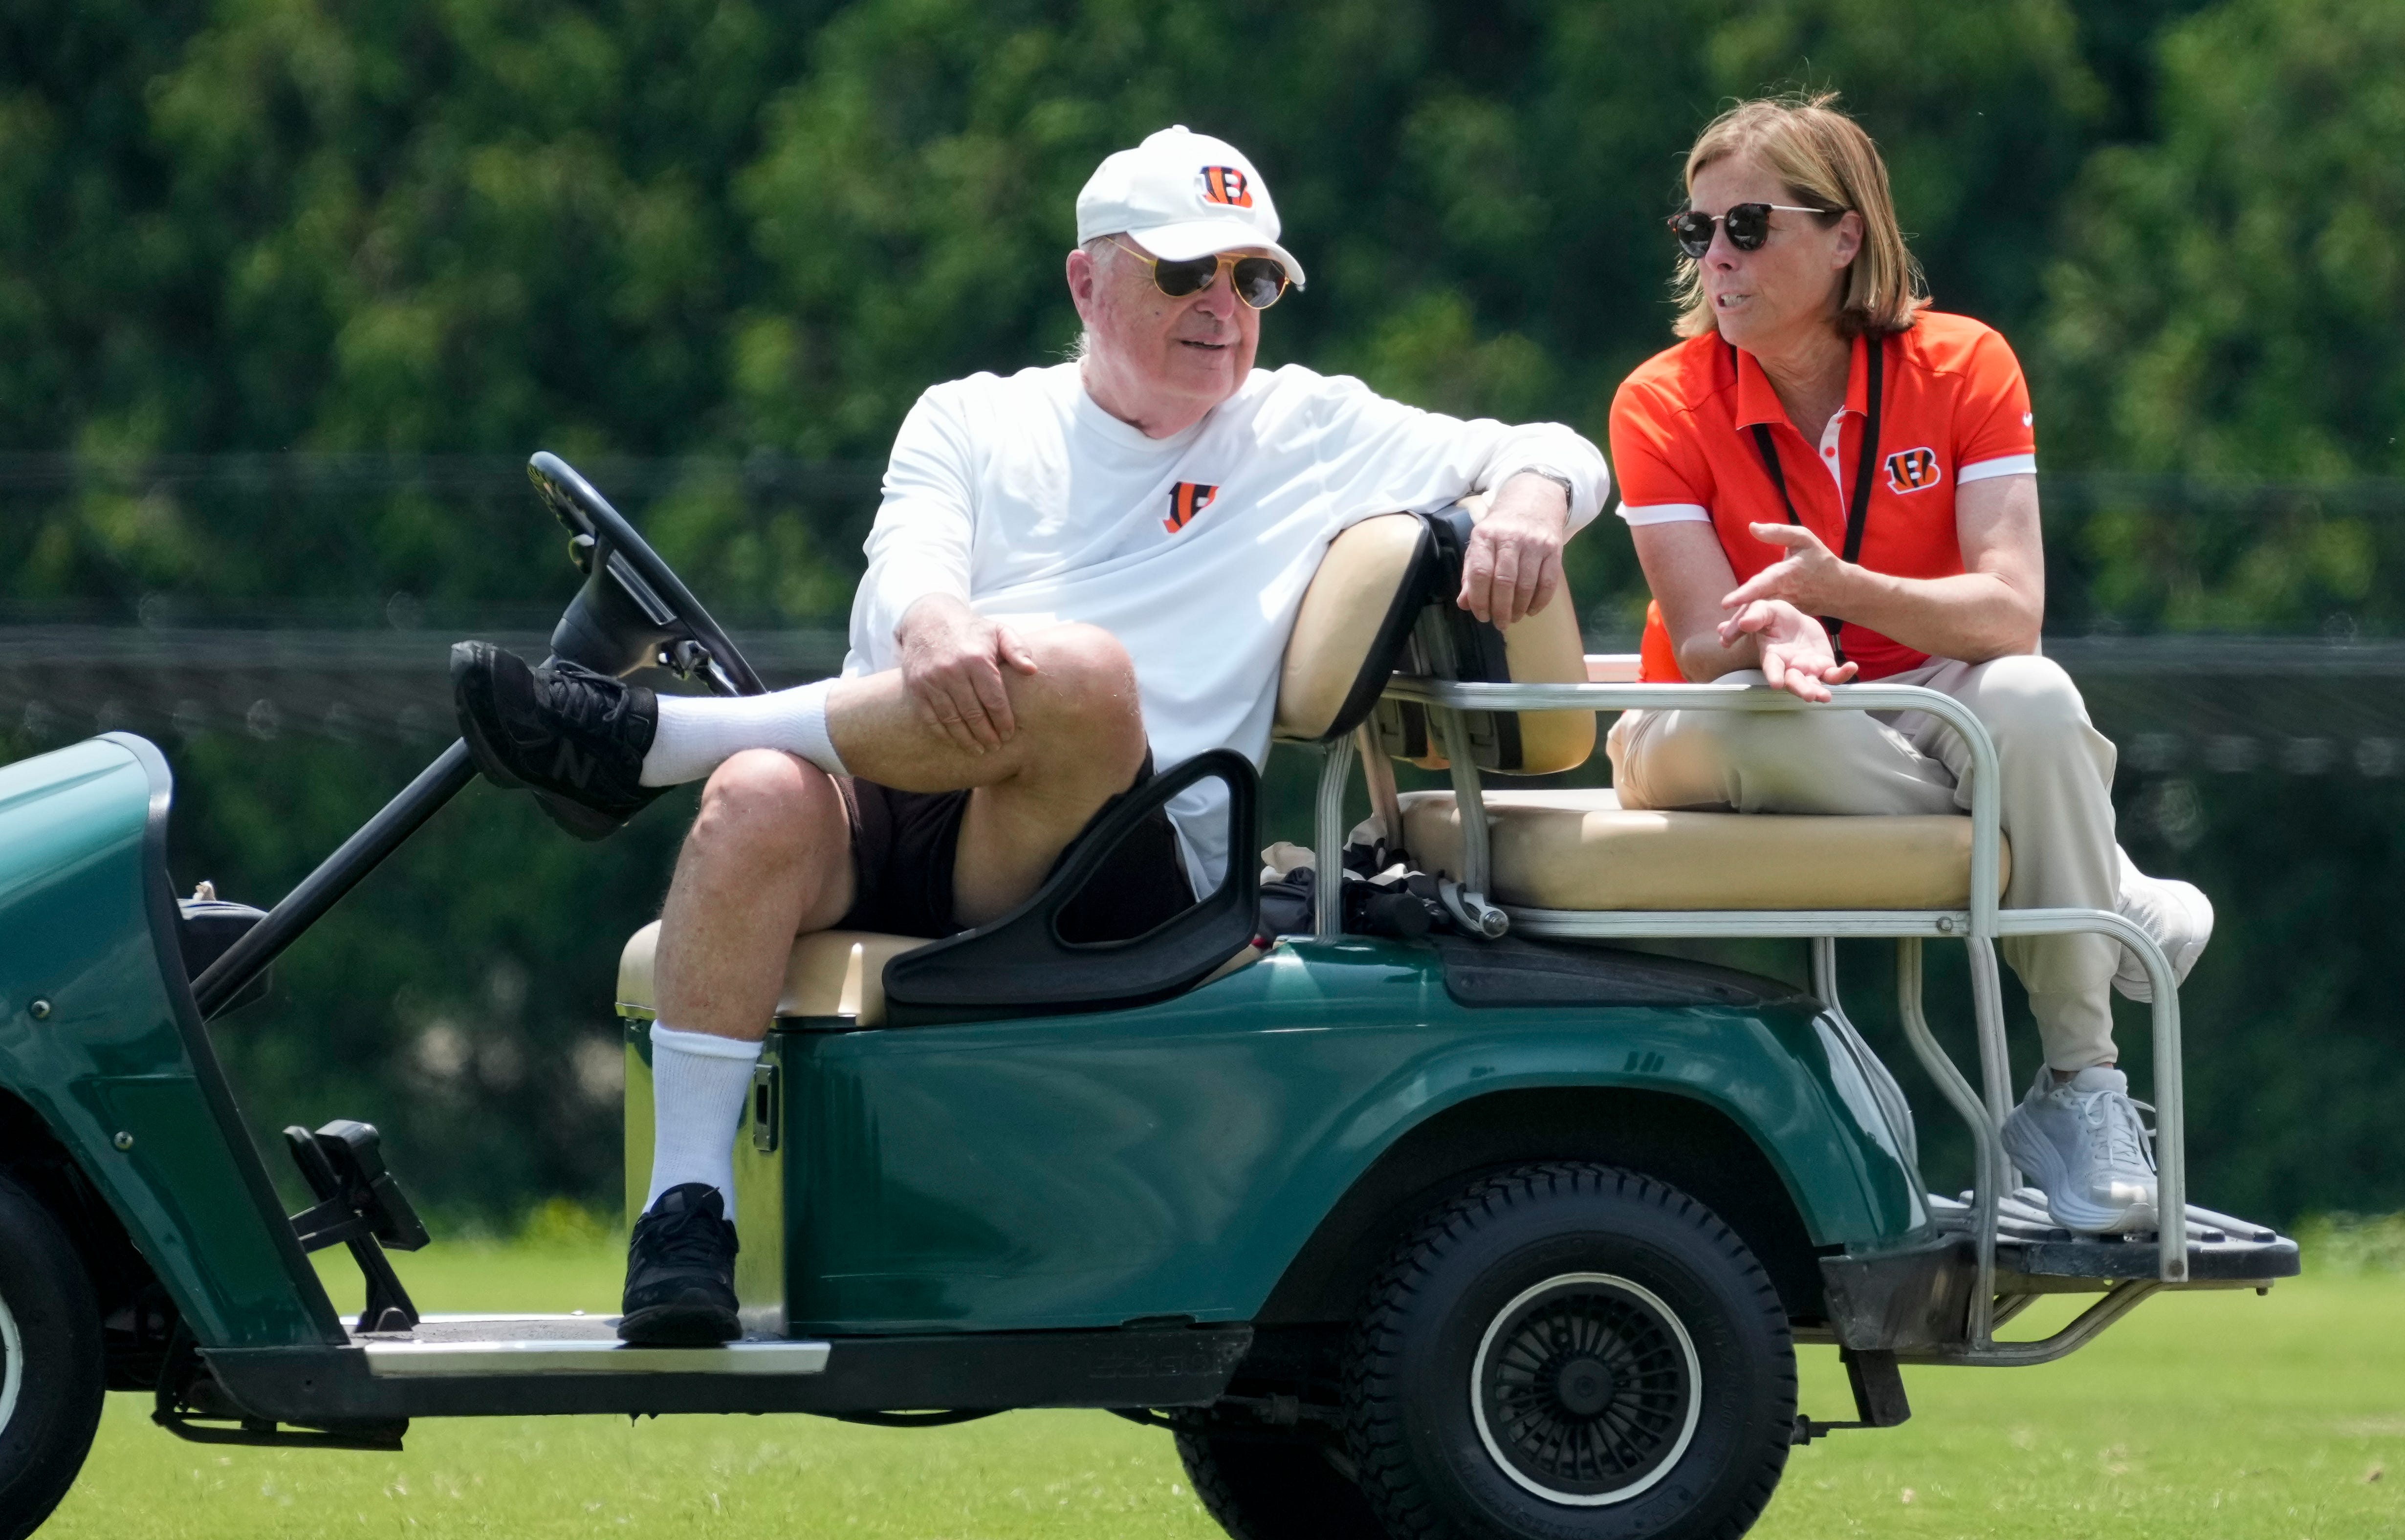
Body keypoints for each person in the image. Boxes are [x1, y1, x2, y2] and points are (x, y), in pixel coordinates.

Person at [450, 125, 1609, 1345]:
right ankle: (685, 1212)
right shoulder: (971, 417)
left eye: (1253, 278)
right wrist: (938, 619)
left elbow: (1560, 450)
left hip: (1127, 855)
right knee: (753, 796)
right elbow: (911, 565)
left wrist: (1529, 497)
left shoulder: (1309, 427)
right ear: (1086, 282)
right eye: (1184, 273)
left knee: (1083, 673)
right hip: (918, 782)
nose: (1224, 307)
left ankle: (651, 742)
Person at [1602, 94, 2211, 1237]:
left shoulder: (1966, 362)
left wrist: (1841, 594)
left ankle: (2080, 1084)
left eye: (1749, 227)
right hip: (1717, 710)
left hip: (1924, 697)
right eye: (1698, 232)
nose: (1717, 259)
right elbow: (1697, 636)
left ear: (1846, 235)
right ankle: (2087, 871)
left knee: (2033, 695)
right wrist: (1775, 629)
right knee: (1765, 717)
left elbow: (2011, 614)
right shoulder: (1660, 397)